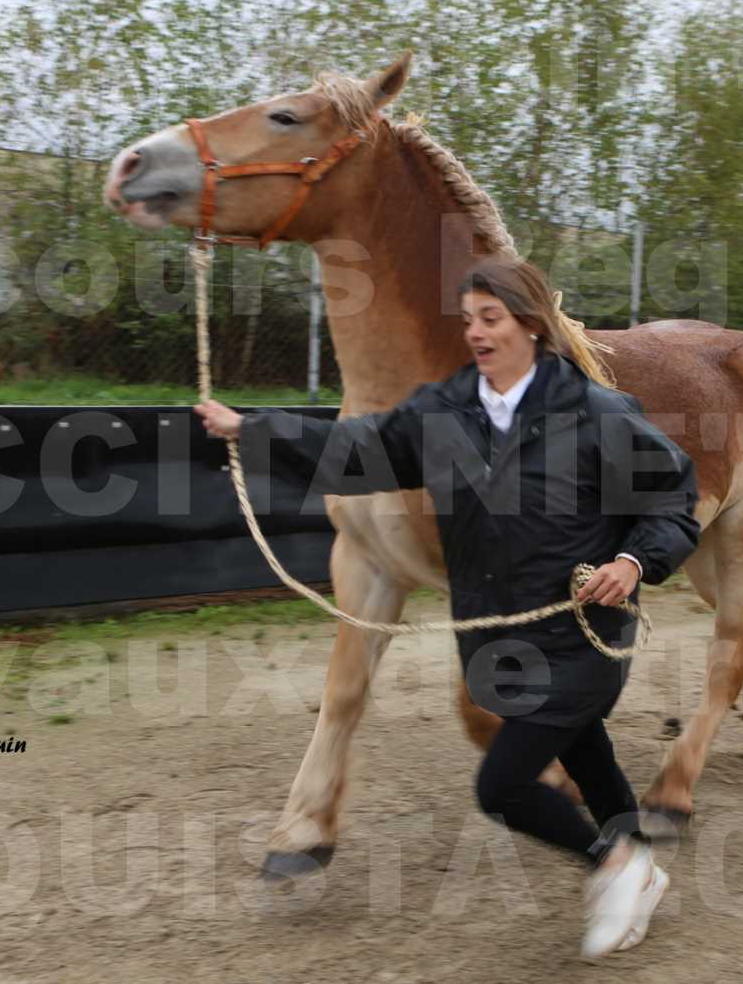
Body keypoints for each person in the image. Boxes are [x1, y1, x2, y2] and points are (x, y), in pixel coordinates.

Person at [194, 259, 700, 959]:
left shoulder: (599, 414)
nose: (475, 332)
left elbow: (671, 498)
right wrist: (250, 431)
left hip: (581, 636)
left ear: (529, 324)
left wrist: (632, 562)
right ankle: (636, 854)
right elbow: (355, 449)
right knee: (586, 750)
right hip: (501, 638)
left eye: (490, 318)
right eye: (468, 319)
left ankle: (614, 866)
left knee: (502, 786)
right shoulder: (444, 413)